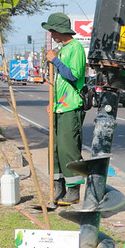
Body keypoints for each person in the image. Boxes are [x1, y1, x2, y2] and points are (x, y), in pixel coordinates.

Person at [42, 13, 86, 206]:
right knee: (55, 149)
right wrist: (51, 102)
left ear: (59, 31)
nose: (51, 35)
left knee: (68, 149)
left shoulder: (75, 48)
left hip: (71, 107)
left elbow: (73, 75)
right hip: (58, 107)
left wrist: (56, 61)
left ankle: (73, 191)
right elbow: (58, 82)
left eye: (52, 31)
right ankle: (58, 188)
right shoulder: (61, 50)